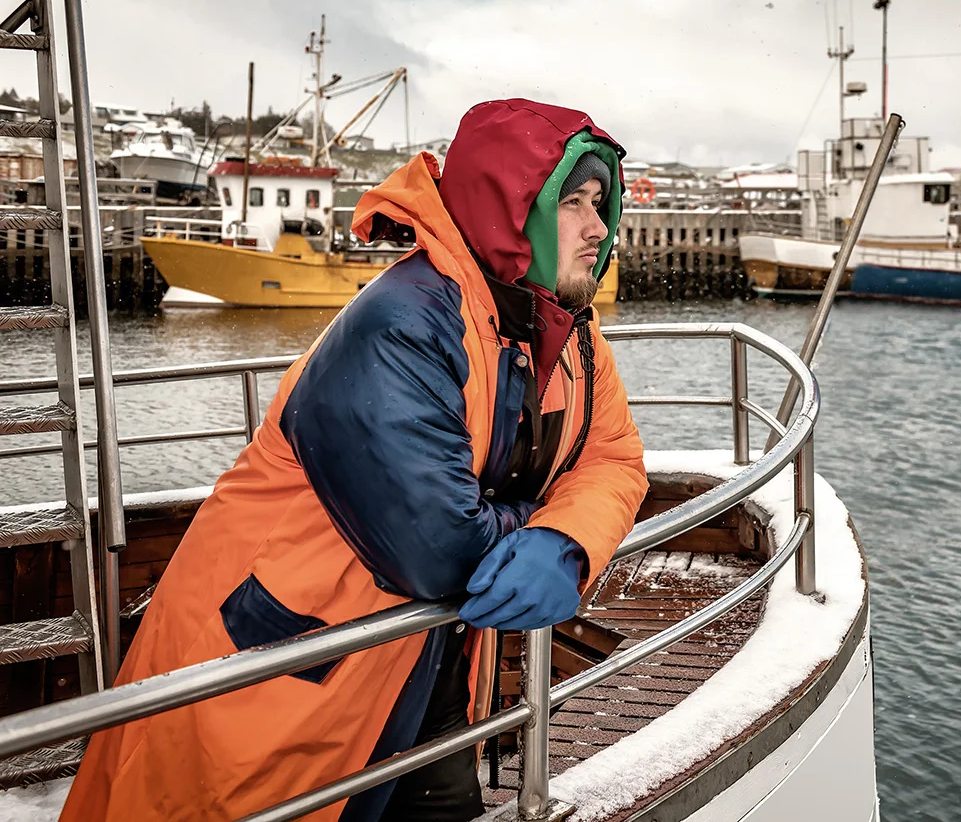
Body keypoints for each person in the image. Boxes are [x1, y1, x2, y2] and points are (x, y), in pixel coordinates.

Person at [62, 100, 649, 822]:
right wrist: (540, 521)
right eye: (574, 203)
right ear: (512, 208)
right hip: (280, 677)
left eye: (602, 204)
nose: (599, 227)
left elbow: (613, 456)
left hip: (422, 671)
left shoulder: (568, 332)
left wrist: (566, 542)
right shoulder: (402, 324)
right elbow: (437, 549)